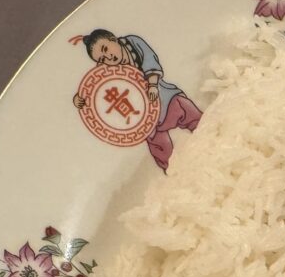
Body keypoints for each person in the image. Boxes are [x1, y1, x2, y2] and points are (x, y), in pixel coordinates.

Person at [72, 29, 201, 171]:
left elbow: (149, 60)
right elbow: (95, 91)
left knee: (189, 113)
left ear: (113, 39)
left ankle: (209, 135)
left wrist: (152, 85)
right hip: (144, 118)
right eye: (102, 59)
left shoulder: (133, 42)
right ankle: (173, 172)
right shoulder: (105, 70)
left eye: (106, 49)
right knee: (160, 148)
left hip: (164, 97)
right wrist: (79, 100)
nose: (108, 57)